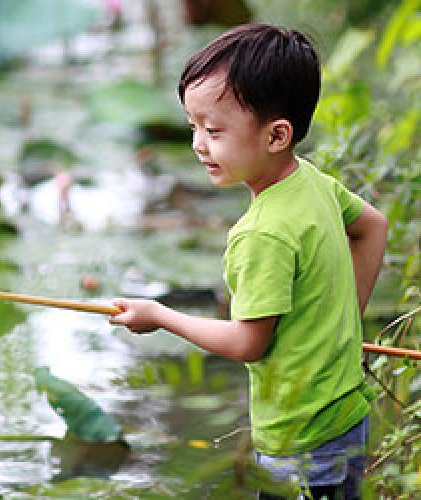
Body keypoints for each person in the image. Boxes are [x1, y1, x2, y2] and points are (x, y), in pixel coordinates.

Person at [109, 23, 388, 499]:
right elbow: (373, 226)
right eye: (193, 126)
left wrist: (159, 316)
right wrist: (341, 325)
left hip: (300, 439)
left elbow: (247, 343)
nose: (199, 144)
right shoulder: (312, 182)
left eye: (214, 130)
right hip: (347, 418)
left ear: (277, 135)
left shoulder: (261, 233)